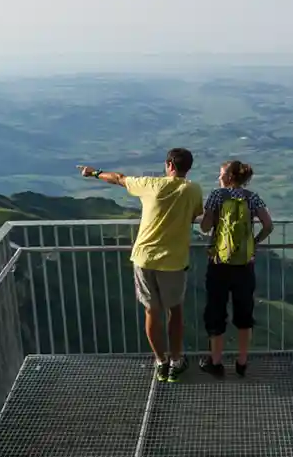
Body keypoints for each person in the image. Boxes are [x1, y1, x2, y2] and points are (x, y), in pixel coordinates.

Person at [78, 148, 203, 382]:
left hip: (144, 258)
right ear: (188, 167)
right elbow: (195, 215)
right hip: (173, 261)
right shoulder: (193, 190)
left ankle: (160, 362)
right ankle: (176, 361)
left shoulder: (149, 184)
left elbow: (118, 179)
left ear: (169, 165)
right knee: (174, 312)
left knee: (151, 311)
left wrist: (93, 173)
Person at [199, 160, 273, 377]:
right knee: (244, 315)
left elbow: (204, 227)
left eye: (221, 174)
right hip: (244, 265)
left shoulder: (216, 196)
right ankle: (242, 362)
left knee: (216, 313)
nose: (219, 177)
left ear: (229, 177)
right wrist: (253, 243)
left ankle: (216, 362)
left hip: (219, 264)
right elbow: (268, 225)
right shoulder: (252, 197)